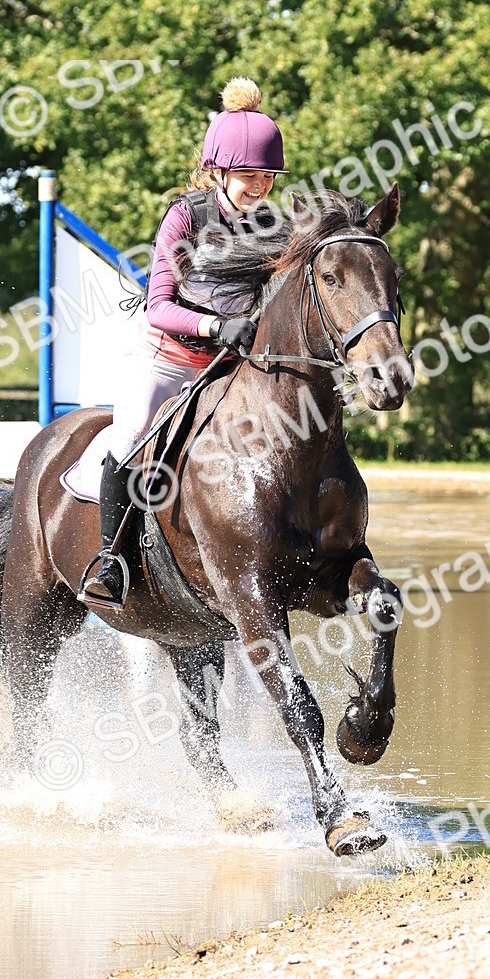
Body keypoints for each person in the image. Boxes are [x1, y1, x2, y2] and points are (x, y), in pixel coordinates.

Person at [82, 76, 289, 605]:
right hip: (168, 358)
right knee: (129, 436)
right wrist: (218, 327)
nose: (260, 185)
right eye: (247, 174)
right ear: (218, 169)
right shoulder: (184, 217)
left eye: (267, 174)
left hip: (228, 368)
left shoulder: (272, 224)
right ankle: (111, 560)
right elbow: (159, 306)